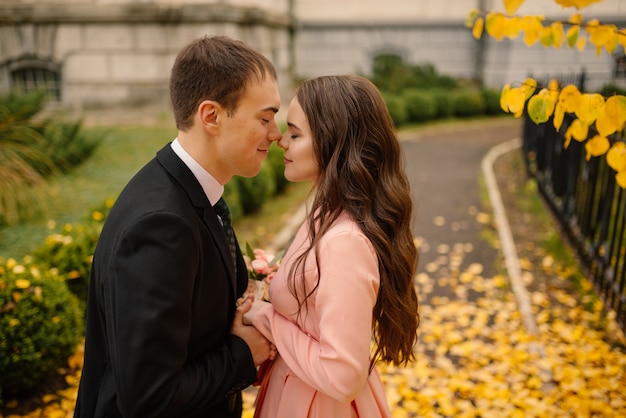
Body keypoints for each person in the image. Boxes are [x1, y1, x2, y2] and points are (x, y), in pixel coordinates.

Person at [74, 35, 282, 417]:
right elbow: (151, 396)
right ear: (212, 116)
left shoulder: (194, 191)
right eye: (265, 118)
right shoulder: (161, 225)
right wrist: (243, 354)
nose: (276, 134)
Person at [244, 75, 420, 417]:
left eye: (295, 134)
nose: (281, 141)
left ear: (331, 142)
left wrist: (266, 318)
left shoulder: (345, 243)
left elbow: (343, 376)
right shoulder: (328, 213)